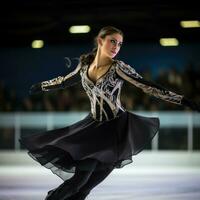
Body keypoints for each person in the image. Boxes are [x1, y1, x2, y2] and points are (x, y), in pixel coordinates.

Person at [19, 26, 200, 200]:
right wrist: (42, 86)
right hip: (92, 129)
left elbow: (148, 86)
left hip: (116, 132)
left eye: (120, 44)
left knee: (85, 188)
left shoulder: (119, 67)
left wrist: (182, 100)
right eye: (113, 41)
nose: (116, 47)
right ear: (100, 40)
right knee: (78, 182)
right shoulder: (84, 67)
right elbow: (64, 81)